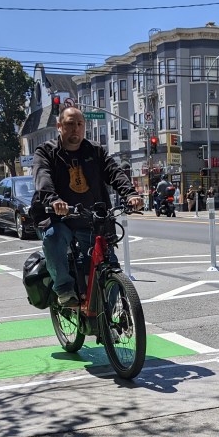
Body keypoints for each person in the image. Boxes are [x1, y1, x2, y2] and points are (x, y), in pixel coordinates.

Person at [32, 106, 143, 307]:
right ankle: (64, 289)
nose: (76, 128)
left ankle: (107, 318)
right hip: (59, 217)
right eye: (70, 124)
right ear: (59, 126)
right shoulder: (46, 151)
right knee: (53, 238)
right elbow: (43, 176)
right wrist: (53, 200)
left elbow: (114, 172)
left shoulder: (95, 151)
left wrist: (131, 194)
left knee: (108, 264)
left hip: (91, 218)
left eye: (80, 124)